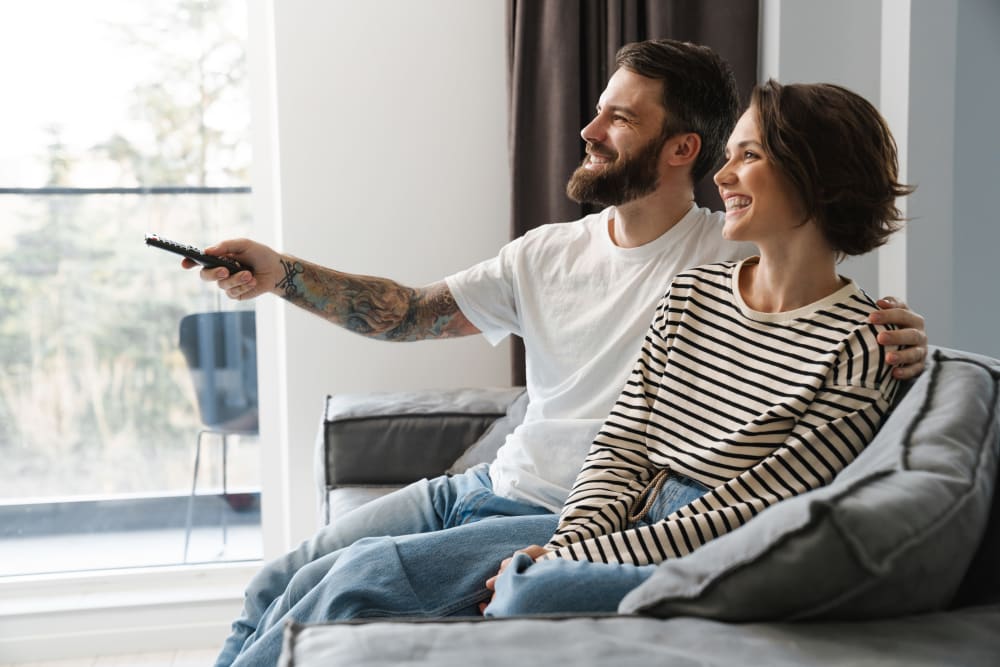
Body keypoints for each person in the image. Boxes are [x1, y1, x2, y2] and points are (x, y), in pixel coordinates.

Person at [189, 40, 926, 665]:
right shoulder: (552, 255)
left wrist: (903, 332)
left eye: (620, 117)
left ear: (681, 149)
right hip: (486, 487)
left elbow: (811, 290)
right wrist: (280, 272)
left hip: (581, 514)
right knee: (277, 582)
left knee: (355, 580)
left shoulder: (721, 253)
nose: (589, 128)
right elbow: (407, 312)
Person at [482, 78, 912, 616]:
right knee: (367, 574)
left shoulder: (863, 346)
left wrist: (569, 564)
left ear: (817, 175)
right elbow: (621, 446)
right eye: (727, 154)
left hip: (718, 549)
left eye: (748, 155)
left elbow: (755, 510)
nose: (722, 175)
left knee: (526, 593)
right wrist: (569, 548)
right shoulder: (692, 293)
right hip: (624, 518)